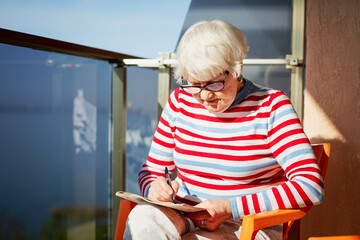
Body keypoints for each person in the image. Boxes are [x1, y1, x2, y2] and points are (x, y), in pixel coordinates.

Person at [124, 20, 324, 240]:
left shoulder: (271, 106)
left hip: (245, 223)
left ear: (237, 67)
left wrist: (230, 208)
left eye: (214, 83)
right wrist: (154, 187)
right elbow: (151, 170)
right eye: (194, 84)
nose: (204, 96)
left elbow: (309, 185)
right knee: (143, 219)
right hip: (185, 213)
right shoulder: (179, 102)